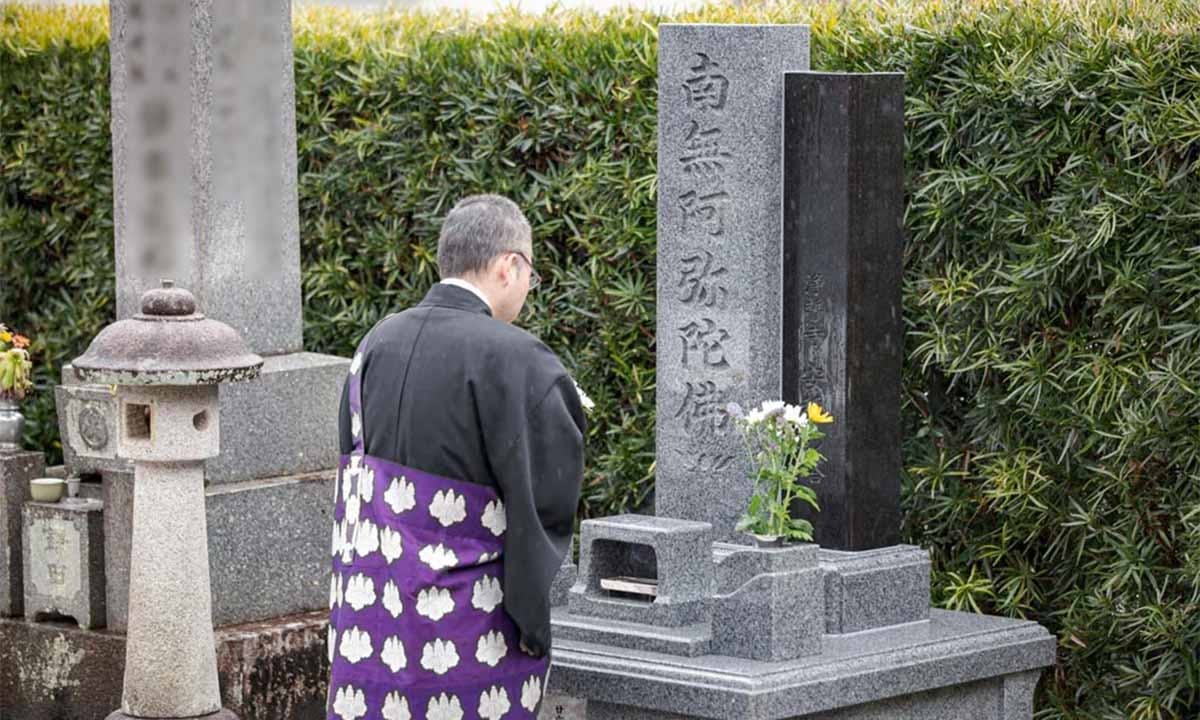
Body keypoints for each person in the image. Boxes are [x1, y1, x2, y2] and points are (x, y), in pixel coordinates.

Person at [326, 194, 586, 720]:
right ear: (509, 266)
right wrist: (533, 626)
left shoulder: (376, 343)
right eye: (531, 275)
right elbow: (543, 509)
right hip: (469, 634)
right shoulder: (517, 359)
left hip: (370, 625)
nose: (529, 290)